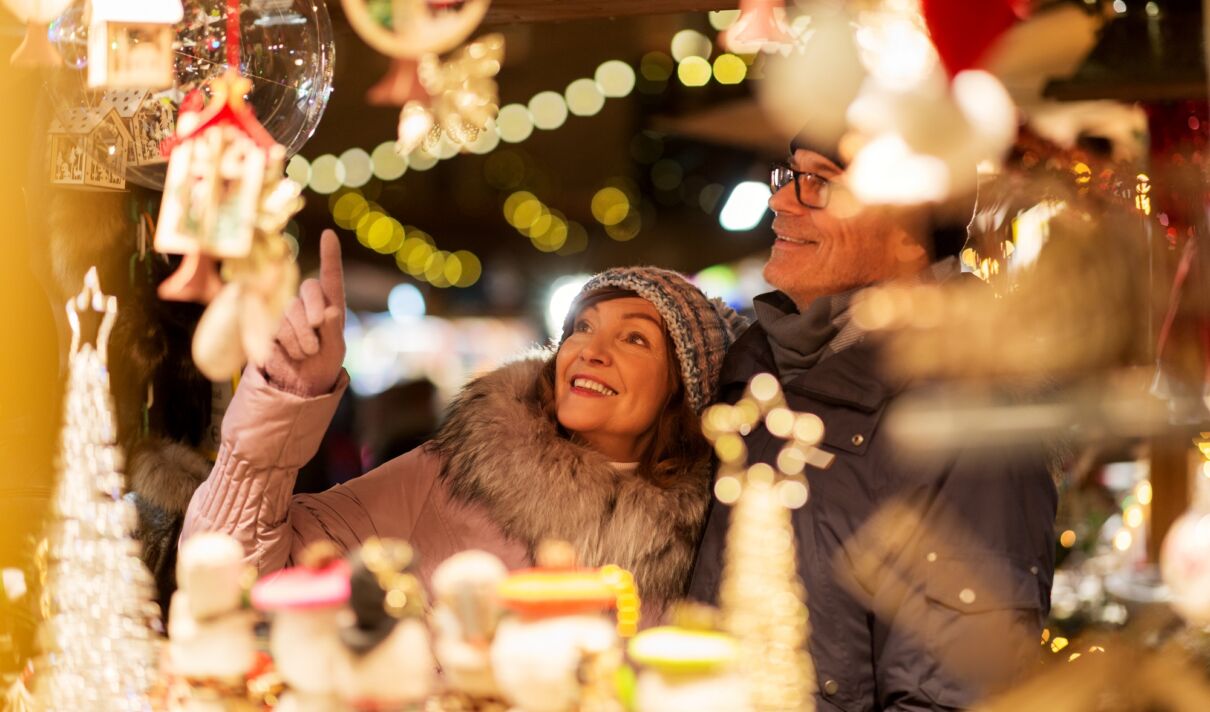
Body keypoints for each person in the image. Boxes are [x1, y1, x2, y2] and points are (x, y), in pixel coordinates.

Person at [182, 231, 745, 617]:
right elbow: (233, 573)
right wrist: (286, 397)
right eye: (582, 327)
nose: (589, 350)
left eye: (634, 338)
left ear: (684, 389)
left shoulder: (706, 542)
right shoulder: (453, 476)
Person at [687, 141, 1058, 711]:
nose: (781, 199)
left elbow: (953, 695)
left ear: (911, 228)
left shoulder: (968, 410)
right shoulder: (752, 372)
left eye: (821, 182)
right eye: (790, 175)